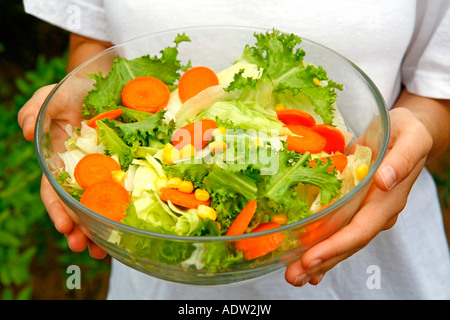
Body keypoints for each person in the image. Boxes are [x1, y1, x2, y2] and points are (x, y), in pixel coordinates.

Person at [19, 0, 450, 299]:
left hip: (372, 277)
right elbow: (93, 43)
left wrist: (416, 131)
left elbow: (439, 92)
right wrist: (80, 94)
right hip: (155, 274)